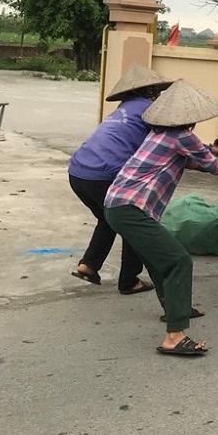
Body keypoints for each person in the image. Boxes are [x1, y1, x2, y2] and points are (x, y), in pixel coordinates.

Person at [104, 79, 218, 356]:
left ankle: (175, 309)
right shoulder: (182, 137)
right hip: (131, 208)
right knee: (178, 261)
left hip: (117, 206)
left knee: (158, 261)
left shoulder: (159, 134)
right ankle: (174, 336)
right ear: (189, 116)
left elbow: (196, 157)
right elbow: (209, 163)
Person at [69, 64, 174, 294]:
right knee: (133, 222)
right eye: (154, 90)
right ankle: (129, 280)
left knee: (108, 219)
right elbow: (173, 139)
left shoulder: (121, 110)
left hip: (78, 172)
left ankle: (88, 265)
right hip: (104, 175)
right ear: (148, 91)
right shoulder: (149, 109)